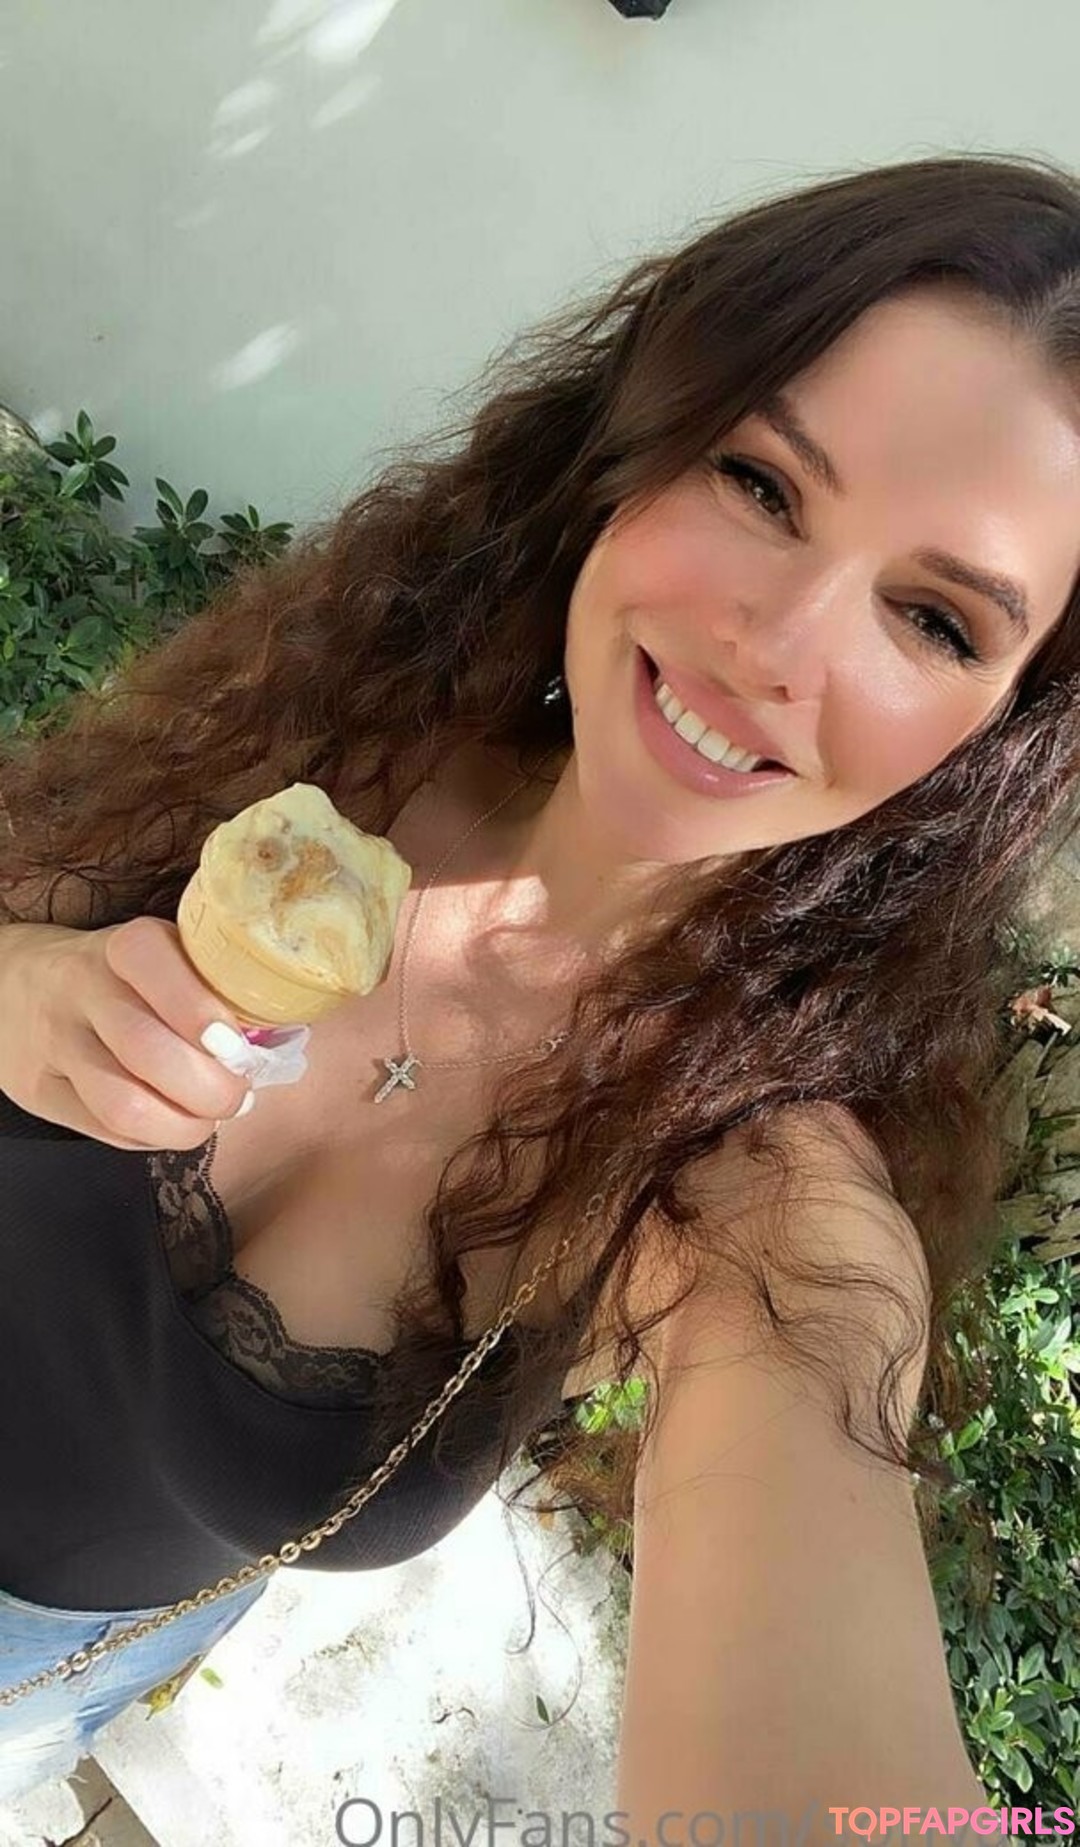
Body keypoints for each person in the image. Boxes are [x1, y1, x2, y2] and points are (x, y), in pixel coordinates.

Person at [2, 148, 1078, 1823]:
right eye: (761, 483)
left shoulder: (750, 1182)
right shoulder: (348, 708)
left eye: (936, 621)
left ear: (1002, 732)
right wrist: (20, 983)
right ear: (642, 435)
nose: (776, 643)